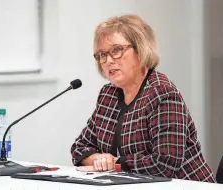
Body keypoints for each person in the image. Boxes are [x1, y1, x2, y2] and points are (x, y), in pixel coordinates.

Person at [70, 14, 215, 182]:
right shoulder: (107, 95)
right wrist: (97, 159)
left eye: (116, 50)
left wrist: (114, 164)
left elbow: (164, 164)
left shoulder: (162, 93)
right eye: (102, 54)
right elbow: (79, 148)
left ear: (141, 49)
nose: (108, 60)